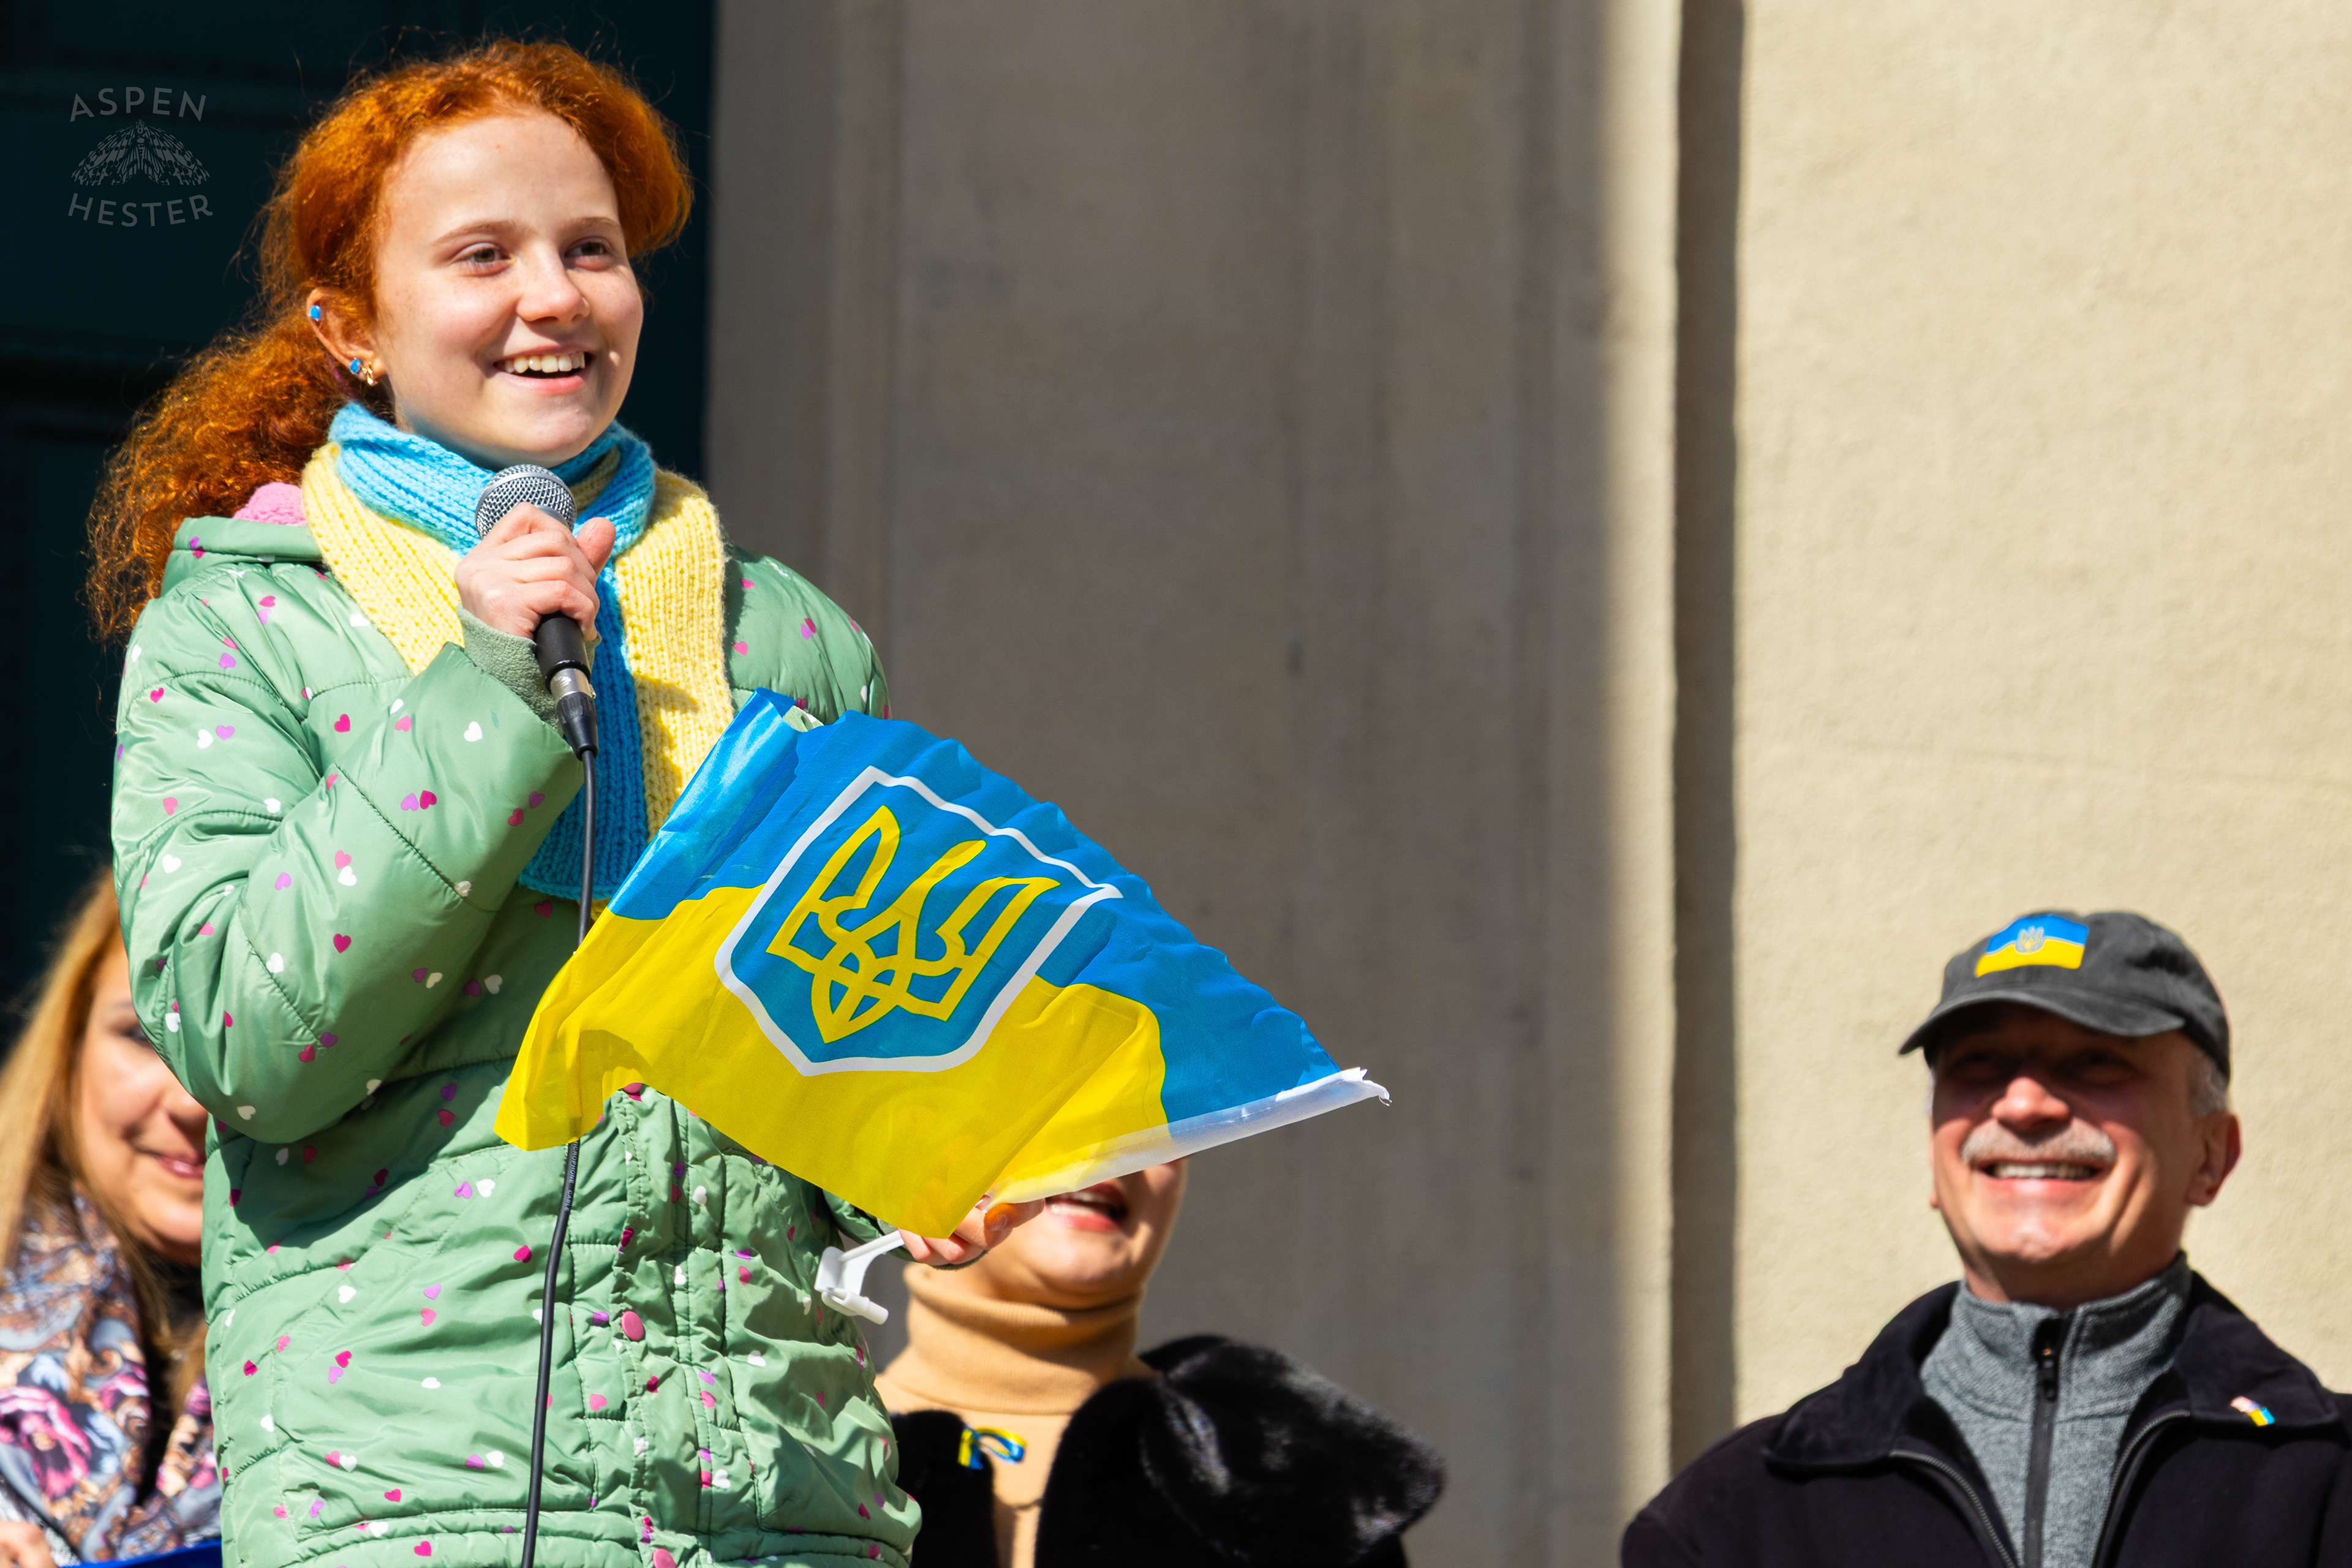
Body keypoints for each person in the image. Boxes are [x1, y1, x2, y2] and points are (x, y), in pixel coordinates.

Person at [93, 40, 1031, 1568]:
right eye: (482, 255)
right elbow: (248, 1036)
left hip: (779, 1496)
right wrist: (486, 680)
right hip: (415, 1496)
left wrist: (920, 1157)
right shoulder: (243, 624)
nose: (554, 296)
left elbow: (835, 1045)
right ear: (354, 329)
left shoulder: (781, 634)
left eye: (590, 248)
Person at [1624, 910, 2352, 1567]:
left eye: (2097, 1060)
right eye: (1980, 1065)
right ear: (1939, 1159)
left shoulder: (2333, 1487)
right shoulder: (1730, 1521)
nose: (2025, 1103)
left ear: (2210, 1156)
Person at [876, 1160, 1444, 1568]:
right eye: (1056, 1096)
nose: (1109, 1145)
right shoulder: (798, 1450)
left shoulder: (1281, 1466)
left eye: (1153, 1107)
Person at [0, 875, 220, 1567]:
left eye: (241, 1052)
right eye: (143, 1034)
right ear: (71, 1046)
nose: (190, 1101)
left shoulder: (389, 1361)